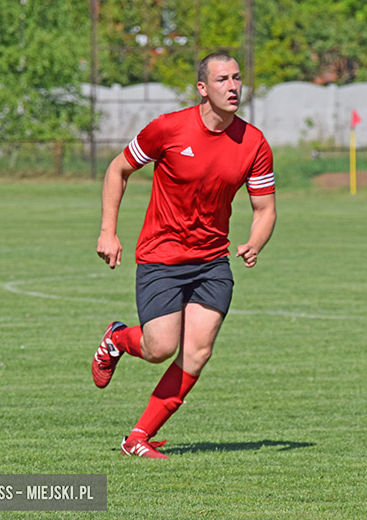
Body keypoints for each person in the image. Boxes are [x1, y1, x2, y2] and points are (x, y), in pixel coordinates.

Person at [93, 52, 277, 459]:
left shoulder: (254, 142)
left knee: (197, 351)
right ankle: (118, 339)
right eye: (222, 79)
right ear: (202, 88)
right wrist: (109, 230)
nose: (233, 86)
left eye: (237, 78)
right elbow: (117, 170)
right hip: (162, 255)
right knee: (160, 348)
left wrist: (255, 242)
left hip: (212, 262)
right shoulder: (169, 129)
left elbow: (265, 209)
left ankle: (136, 439)